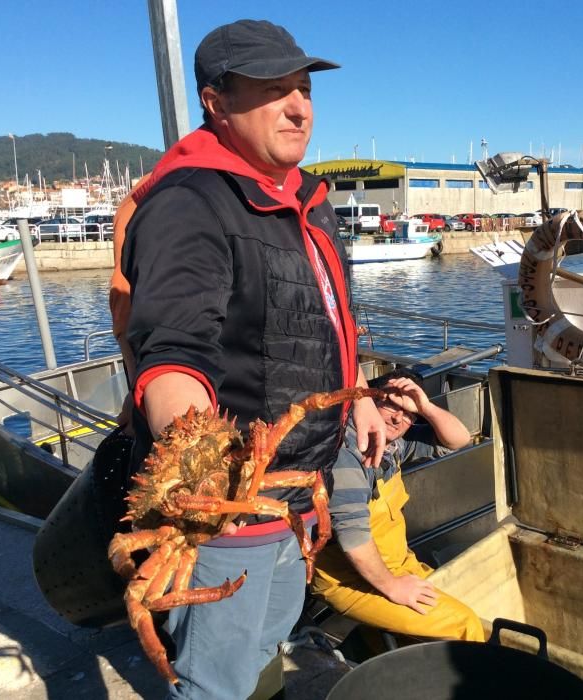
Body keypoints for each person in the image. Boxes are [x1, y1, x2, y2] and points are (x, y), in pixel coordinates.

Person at [120, 19, 386, 699]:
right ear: (216, 101)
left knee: (265, 646)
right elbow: (173, 345)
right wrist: (196, 474)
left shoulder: (303, 199)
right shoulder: (191, 203)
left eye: (302, 88)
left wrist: (359, 396)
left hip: (302, 488)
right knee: (214, 681)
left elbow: (326, 315)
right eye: (273, 90)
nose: (298, 106)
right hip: (228, 510)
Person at [310, 370, 485, 644]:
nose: (397, 418)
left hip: (399, 566)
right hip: (350, 581)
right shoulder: (347, 454)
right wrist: (393, 586)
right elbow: (354, 540)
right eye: (390, 405)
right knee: (465, 625)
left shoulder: (396, 444)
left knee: (474, 598)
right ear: (367, 401)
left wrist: (424, 407)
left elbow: (459, 440)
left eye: (407, 414)